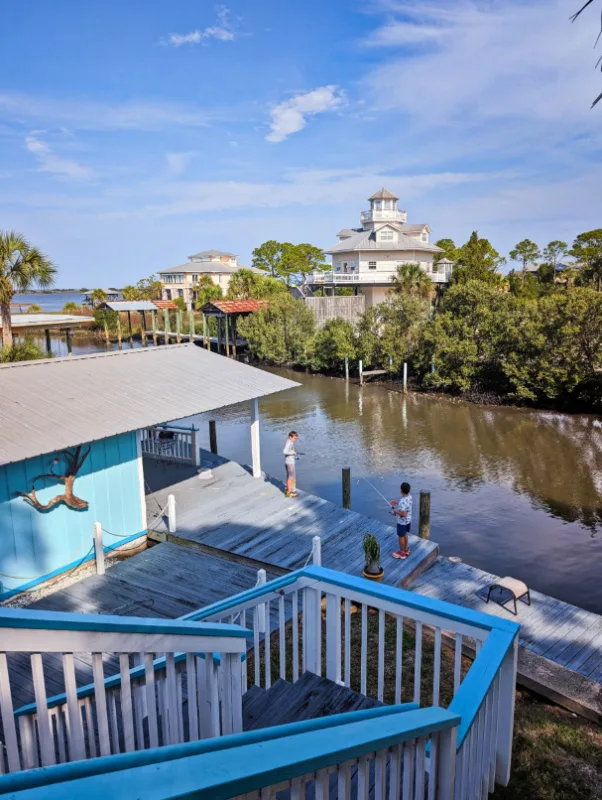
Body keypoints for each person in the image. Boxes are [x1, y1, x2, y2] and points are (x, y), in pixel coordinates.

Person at [390, 482, 412, 560]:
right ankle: (405, 550)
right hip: (408, 521)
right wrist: (397, 502)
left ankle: (401, 553)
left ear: (401, 490)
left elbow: (403, 514)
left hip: (402, 522)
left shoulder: (403, 501)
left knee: (401, 537)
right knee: (405, 534)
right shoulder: (409, 497)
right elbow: (406, 506)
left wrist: (396, 511)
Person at [283, 431, 298, 497]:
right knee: (291, 477)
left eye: (296, 438)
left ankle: (289, 489)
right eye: (294, 438)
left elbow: (289, 451)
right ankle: (289, 492)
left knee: (290, 476)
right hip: (290, 463)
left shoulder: (290, 442)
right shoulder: (289, 442)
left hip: (289, 462)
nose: (295, 440)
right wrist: (292, 453)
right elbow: (284, 451)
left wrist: (293, 452)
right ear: (290, 437)